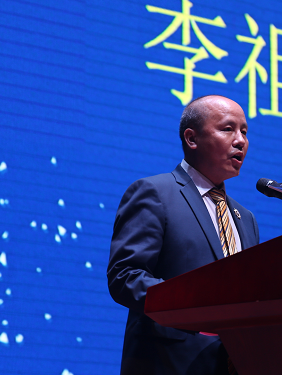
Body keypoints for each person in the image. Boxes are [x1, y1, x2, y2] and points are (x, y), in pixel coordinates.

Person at [107, 95, 260, 375]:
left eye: (244, 132)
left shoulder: (245, 218)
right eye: (228, 129)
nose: (240, 141)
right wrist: (197, 305)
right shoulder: (155, 193)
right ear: (191, 138)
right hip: (170, 363)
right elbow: (125, 276)